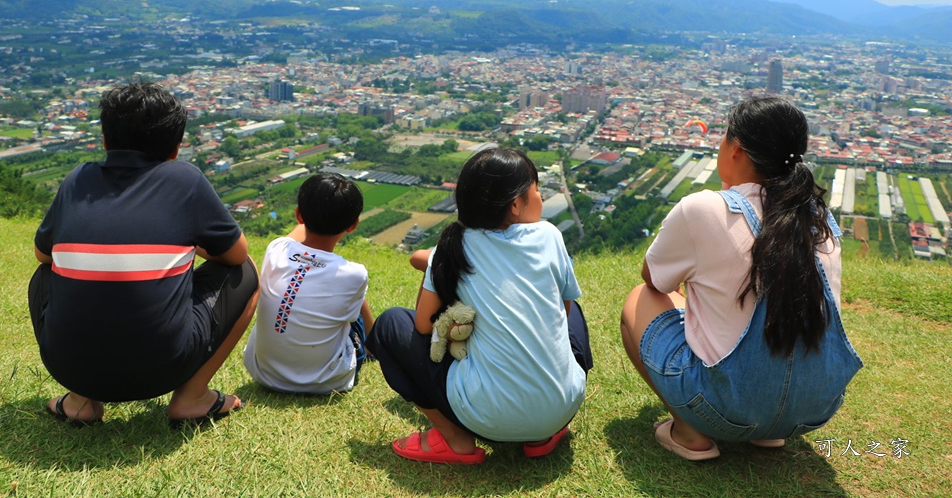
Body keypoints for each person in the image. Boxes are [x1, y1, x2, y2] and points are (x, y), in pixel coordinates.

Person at [620, 96, 862, 460]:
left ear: (735, 149)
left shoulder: (704, 208)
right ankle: (770, 432)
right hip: (813, 412)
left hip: (723, 412)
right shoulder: (817, 217)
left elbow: (654, 280)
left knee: (640, 297)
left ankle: (689, 431)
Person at [29, 82, 259, 426]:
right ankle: (192, 396)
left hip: (67, 366)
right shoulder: (185, 180)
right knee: (246, 273)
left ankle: (80, 401)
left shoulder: (77, 180)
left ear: (106, 141)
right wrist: (188, 248)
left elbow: (42, 255)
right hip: (163, 368)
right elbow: (236, 254)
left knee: (45, 276)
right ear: (175, 148)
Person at [367, 147, 593, 464]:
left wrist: (436, 267)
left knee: (391, 324)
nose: (541, 198)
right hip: (561, 407)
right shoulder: (549, 236)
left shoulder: (453, 246)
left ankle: (455, 439)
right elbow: (564, 312)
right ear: (515, 205)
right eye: (537, 191)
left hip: (484, 415)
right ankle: (543, 435)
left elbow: (422, 326)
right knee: (574, 313)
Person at [243, 172, 374, 394]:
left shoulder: (276, 249)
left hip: (263, 373)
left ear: (298, 215)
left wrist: (314, 211)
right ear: (353, 225)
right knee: (354, 306)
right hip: (327, 381)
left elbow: (295, 236)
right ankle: (373, 344)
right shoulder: (354, 273)